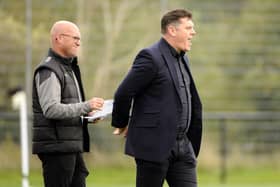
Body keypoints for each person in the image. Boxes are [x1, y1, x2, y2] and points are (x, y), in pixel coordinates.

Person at [111, 9, 203, 187]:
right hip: (154, 146)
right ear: (172, 30)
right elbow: (123, 93)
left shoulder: (184, 59)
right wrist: (122, 123)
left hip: (183, 147)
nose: (193, 32)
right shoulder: (150, 57)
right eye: (189, 27)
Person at [32, 20, 104, 187]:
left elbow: (68, 106)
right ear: (59, 39)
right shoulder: (48, 70)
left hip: (70, 147)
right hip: (58, 149)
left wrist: (87, 116)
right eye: (75, 38)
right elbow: (51, 109)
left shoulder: (67, 68)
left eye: (79, 39)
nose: (79, 43)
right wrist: (86, 106)